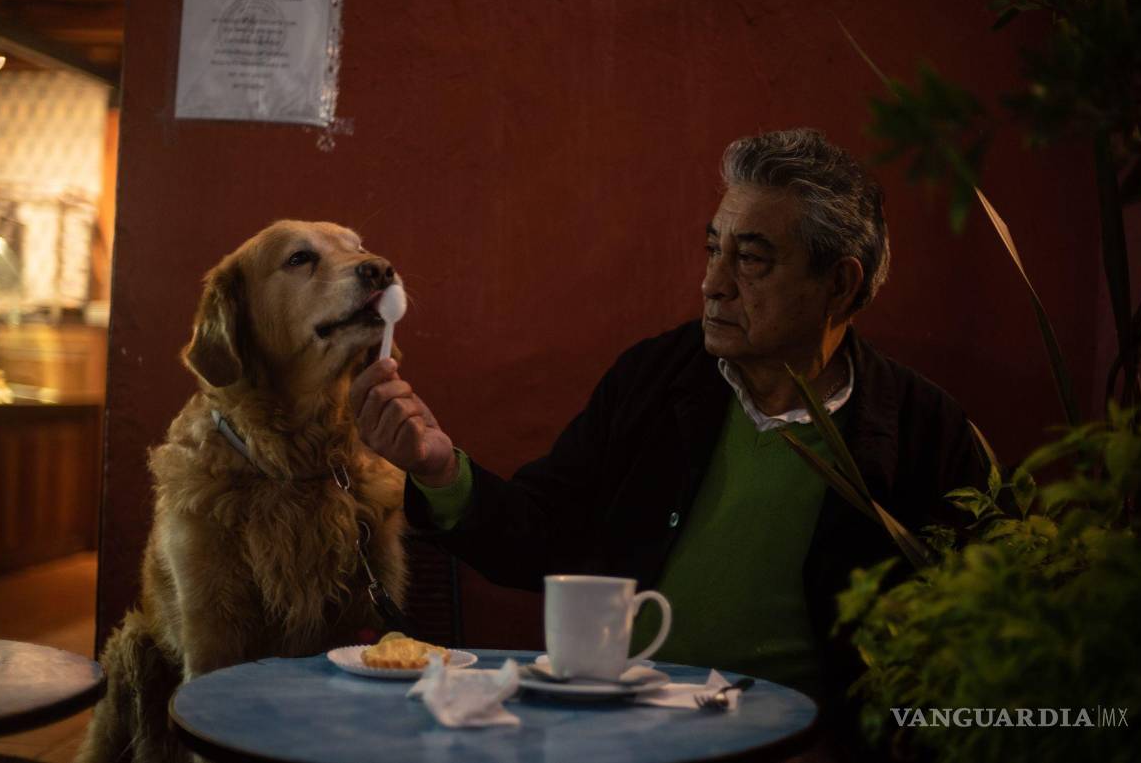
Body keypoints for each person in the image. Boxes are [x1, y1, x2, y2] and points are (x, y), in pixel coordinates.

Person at [350, 128, 984, 728]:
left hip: (807, 742)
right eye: (713, 250)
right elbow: (542, 534)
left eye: (751, 260)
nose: (712, 284)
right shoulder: (657, 379)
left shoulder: (923, 433)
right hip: (631, 728)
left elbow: (964, 653)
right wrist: (438, 467)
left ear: (839, 285)